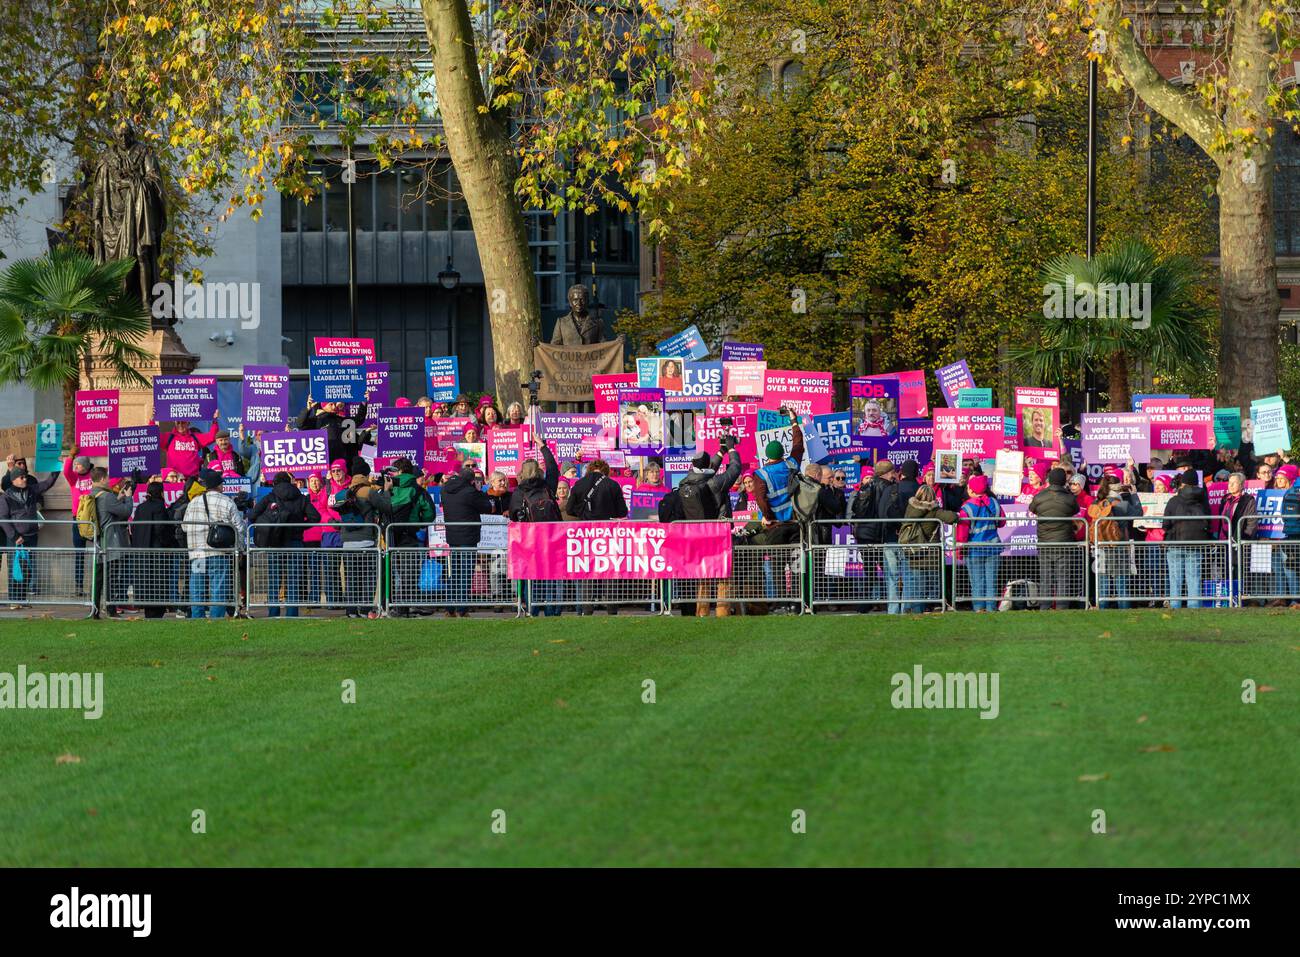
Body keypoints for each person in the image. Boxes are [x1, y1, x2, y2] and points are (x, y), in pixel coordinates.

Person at [660, 441, 743, 616]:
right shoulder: (715, 483)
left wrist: (721, 452)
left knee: (703, 577)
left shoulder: (686, 482)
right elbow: (735, 469)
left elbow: (706, 468)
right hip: (718, 533)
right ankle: (722, 612)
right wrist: (732, 449)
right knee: (723, 575)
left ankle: (702, 613)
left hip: (698, 534)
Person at [249, 471, 320, 618]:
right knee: (294, 579)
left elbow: (253, 515)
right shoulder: (301, 498)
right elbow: (315, 517)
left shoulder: (270, 497)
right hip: (295, 542)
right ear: (290, 482)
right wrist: (300, 526)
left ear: (274, 483)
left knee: (274, 579)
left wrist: (267, 525)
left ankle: (273, 613)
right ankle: (292, 614)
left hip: (275, 543)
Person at [565, 458, 629, 614]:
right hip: (608, 533)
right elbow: (622, 512)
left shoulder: (579, 484)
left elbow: (569, 509)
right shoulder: (612, 485)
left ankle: (587, 608)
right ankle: (612, 607)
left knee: (588, 570)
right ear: (605, 471)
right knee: (610, 570)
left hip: (586, 532)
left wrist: (582, 514)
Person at [507, 441, 562, 616]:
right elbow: (553, 468)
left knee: (532, 576)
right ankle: (552, 609)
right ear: (538, 471)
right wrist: (542, 446)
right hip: (552, 536)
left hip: (529, 539)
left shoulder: (518, 492)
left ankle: (532, 608)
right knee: (551, 575)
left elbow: (514, 516)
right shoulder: (547, 487)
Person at [180, 469, 242, 619]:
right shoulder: (227, 502)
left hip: (196, 552)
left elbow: (184, 527)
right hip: (218, 552)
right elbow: (239, 529)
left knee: (197, 587)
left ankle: (197, 617)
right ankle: (216, 618)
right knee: (218, 587)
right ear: (219, 486)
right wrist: (239, 550)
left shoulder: (194, 502)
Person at [440, 465, 498, 617]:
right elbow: (487, 507)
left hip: (453, 536)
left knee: (455, 572)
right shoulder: (470, 492)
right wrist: (480, 491)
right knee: (465, 572)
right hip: (468, 536)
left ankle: (450, 608)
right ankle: (462, 609)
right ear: (472, 481)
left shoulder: (445, 489)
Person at [0, 467, 59, 607]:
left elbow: (47, 484)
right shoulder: (6, 497)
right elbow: (3, 518)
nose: (25, 479)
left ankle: (22, 599)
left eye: (25, 476)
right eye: (21, 477)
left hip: (31, 536)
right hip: (16, 539)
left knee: (27, 569)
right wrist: (14, 536)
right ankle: (14, 600)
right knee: (16, 569)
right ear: (14, 480)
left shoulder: (31, 490)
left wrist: (56, 470)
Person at [897, 481, 959, 613]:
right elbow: (952, 517)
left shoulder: (910, 508)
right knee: (925, 587)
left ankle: (909, 611)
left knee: (912, 586)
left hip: (912, 553)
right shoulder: (934, 510)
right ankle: (922, 611)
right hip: (930, 555)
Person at [1088, 474, 1143, 609]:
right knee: (1121, 583)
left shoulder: (1096, 504)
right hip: (1120, 545)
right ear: (1118, 488)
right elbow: (1138, 513)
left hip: (1101, 546)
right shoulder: (1122, 504)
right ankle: (1124, 610)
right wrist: (1134, 495)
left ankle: (1103, 610)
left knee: (1103, 583)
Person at [331, 474, 382, 618]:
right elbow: (385, 507)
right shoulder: (369, 497)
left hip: (348, 544)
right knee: (368, 578)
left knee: (351, 578)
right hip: (366, 542)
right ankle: (365, 610)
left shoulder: (345, 501)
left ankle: (351, 611)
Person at [1029, 467, 1080, 610]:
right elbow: (1075, 510)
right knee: (1063, 576)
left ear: (1049, 480)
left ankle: (1045, 605)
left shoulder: (1039, 496)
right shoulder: (1069, 498)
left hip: (1045, 542)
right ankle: (1062, 606)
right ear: (1064, 481)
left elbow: (1031, 508)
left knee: (1045, 576)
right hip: (1064, 542)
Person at [85, 467, 134, 617]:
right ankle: (111, 610)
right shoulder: (106, 496)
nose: (108, 481)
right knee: (111, 577)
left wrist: (118, 498)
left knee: (98, 578)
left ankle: (95, 610)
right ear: (101, 479)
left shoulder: (93, 494)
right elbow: (126, 511)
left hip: (98, 541)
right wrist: (129, 497)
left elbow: (107, 510)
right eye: (106, 478)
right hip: (110, 542)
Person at [1161, 470, 1212, 609]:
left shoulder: (1174, 501)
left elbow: (1165, 524)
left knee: (1175, 578)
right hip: (1196, 543)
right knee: (1194, 577)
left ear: (1182, 483)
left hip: (1175, 542)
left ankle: (1175, 606)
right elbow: (1209, 520)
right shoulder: (1202, 499)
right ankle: (1194, 606)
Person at [130, 479, 180, 618]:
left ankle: (150, 610)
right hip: (157, 552)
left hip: (142, 551)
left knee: (146, 583)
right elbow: (161, 528)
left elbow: (134, 527)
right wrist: (168, 542)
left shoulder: (141, 507)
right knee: (158, 582)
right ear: (161, 493)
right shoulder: (159, 507)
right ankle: (156, 611)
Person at [956, 475, 1004, 612]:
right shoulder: (994, 503)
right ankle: (991, 608)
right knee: (991, 581)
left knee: (977, 582)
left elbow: (962, 533)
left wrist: (960, 551)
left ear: (971, 489)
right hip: (993, 547)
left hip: (974, 549)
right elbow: (1002, 522)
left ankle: (979, 609)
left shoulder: (966, 508)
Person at [752, 411, 805, 522]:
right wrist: (794, 421)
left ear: (766, 454)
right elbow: (798, 445)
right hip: (795, 518)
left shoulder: (761, 474)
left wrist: (768, 517)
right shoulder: (792, 464)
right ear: (782, 452)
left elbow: (761, 500)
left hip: (775, 523)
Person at [302, 472, 342, 610]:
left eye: (317, 480)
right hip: (311, 538)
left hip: (327, 536)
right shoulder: (305, 498)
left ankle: (334, 600)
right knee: (314, 570)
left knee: (330, 570)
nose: (314, 483)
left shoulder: (327, 494)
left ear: (321, 482)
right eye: (312, 481)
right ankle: (314, 600)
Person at [154, 409, 221, 478]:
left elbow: (212, 436)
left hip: (192, 479)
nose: (180, 425)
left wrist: (215, 421)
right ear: (175, 423)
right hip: (174, 480)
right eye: (178, 423)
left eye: (183, 422)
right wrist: (153, 420)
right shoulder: (169, 437)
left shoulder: (195, 437)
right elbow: (153, 438)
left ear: (188, 423)